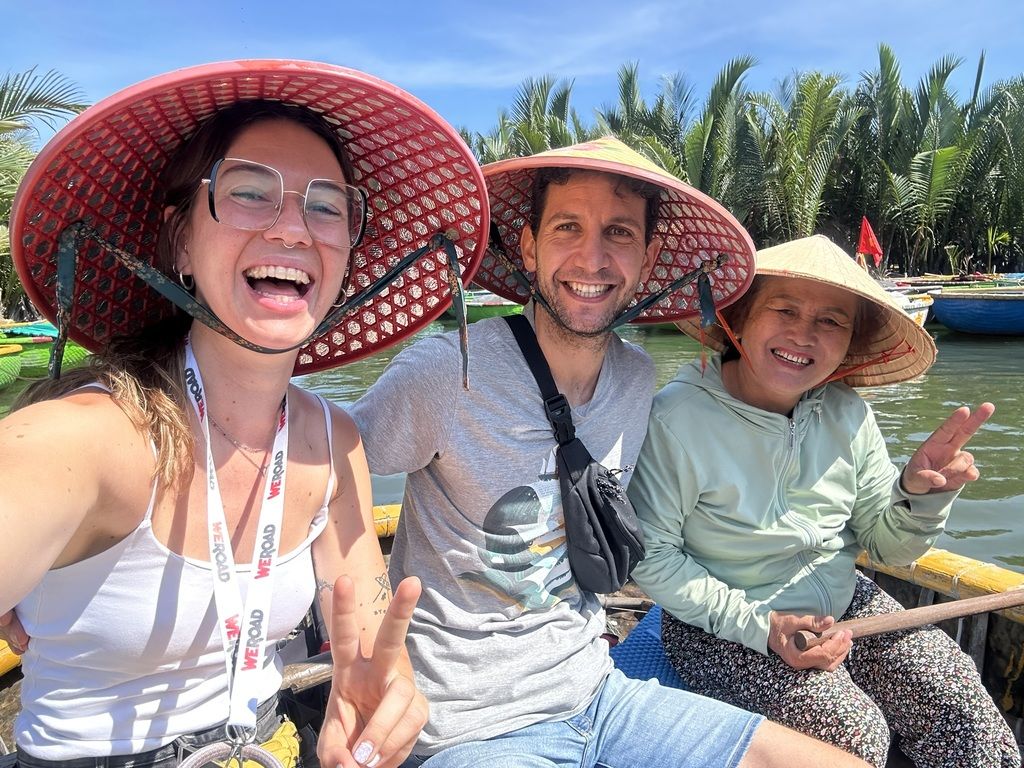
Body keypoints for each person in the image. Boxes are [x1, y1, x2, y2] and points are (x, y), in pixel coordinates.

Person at [0, 59, 490, 768]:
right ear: (180, 243)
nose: (294, 228)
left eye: (327, 206)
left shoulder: (331, 440)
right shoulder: (87, 440)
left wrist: (387, 704)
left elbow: (373, 646)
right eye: (250, 192)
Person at [350, 137, 872, 767]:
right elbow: (318, 474)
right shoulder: (447, 371)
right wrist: (367, 644)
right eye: (568, 227)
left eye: (619, 233)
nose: (592, 258)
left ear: (649, 257)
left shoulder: (636, 378)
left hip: (600, 693)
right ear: (528, 246)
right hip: (468, 726)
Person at [628, 234, 1021, 767]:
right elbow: (652, 557)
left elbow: (888, 549)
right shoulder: (675, 419)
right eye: (783, 309)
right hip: (716, 623)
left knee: (953, 697)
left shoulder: (847, 413)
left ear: (848, 343)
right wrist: (761, 627)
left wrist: (920, 497)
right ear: (737, 318)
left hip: (842, 604)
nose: (803, 334)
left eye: (831, 321)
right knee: (848, 733)